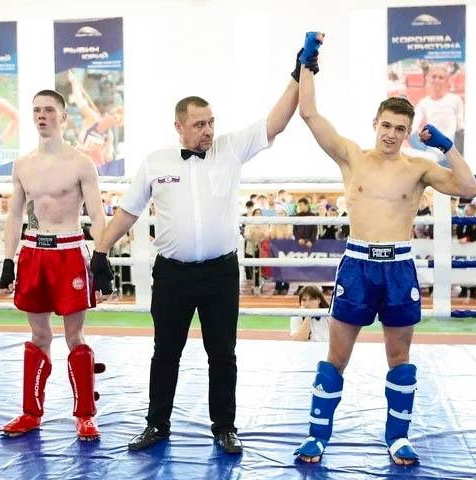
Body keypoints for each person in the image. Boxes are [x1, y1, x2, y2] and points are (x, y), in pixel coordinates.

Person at [90, 49, 319, 454]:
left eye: (212, 122)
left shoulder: (230, 149)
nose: (208, 130)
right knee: (165, 353)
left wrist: (298, 74)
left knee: (223, 354)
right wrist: (101, 251)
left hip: (220, 274)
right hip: (172, 274)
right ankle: (156, 424)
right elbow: (128, 211)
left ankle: (224, 427)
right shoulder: (155, 161)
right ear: (179, 127)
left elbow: (276, 122)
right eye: (199, 124)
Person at [294, 32, 476, 465]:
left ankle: (397, 438)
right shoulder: (352, 157)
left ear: (408, 132)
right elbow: (309, 113)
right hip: (358, 265)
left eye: (400, 129)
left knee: (400, 358)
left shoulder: (419, 167)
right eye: (386, 126)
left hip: (398, 267)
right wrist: (307, 62)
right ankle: (317, 437)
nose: (391, 134)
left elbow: (469, 188)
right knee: (336, 357)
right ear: (374, 124)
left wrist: (447, 147)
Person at [0, 89, 107, 441]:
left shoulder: (80, 163)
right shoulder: (22, 164)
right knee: (39, 335)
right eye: (36, 110)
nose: (41, 116)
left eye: (48, 110)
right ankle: (31, 413)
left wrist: (102, 256)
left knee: (74, 335)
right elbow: (15, 215)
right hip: (34, 251)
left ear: (63, 116)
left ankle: (85, 415)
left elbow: (97, 214)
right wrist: (7, 259)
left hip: (69, 251)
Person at [410, 64, 465, 162]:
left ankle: (432, 157)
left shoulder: (455, 100)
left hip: (448, 145)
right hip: (429, 143)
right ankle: (429, 156)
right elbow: (414, 124)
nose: (437, 80)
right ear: (428, 79)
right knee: (409, 132)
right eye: (434, 77)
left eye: (441, 77)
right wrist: (417, 135)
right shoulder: (423, 102)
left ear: (447, 80)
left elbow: (460, 126)